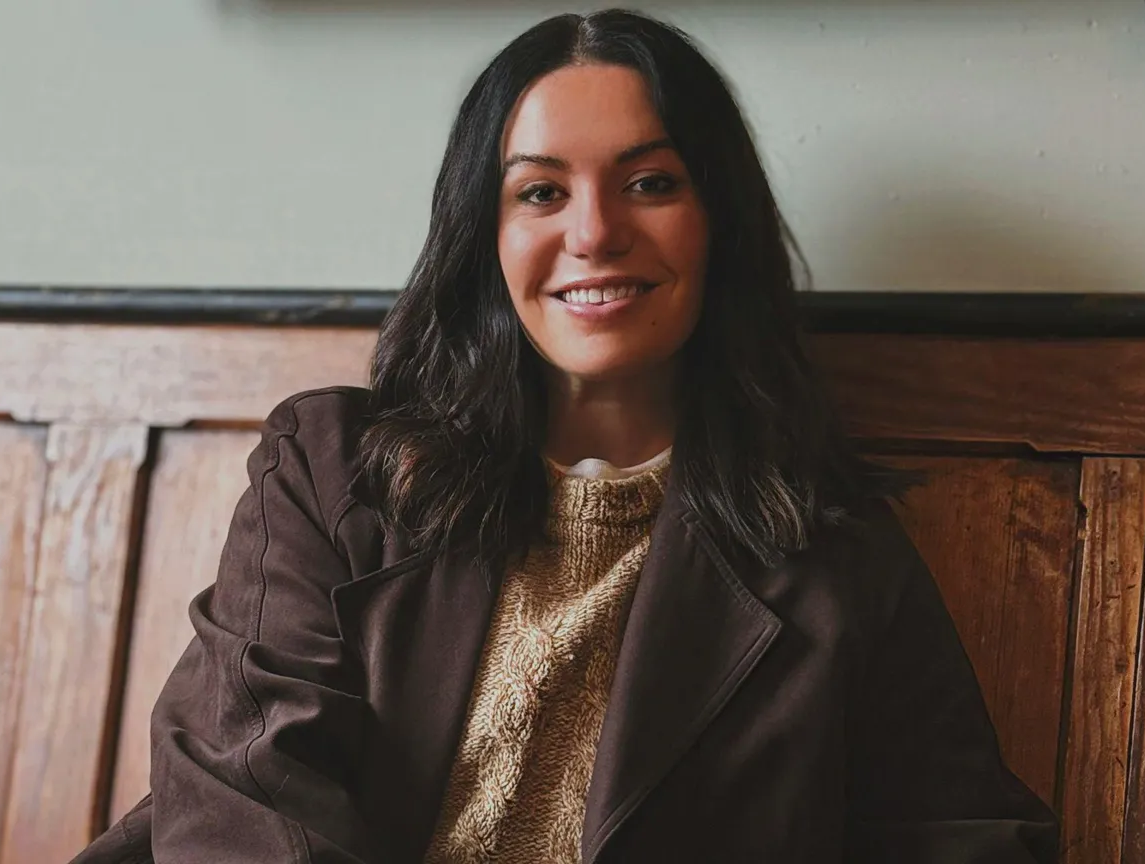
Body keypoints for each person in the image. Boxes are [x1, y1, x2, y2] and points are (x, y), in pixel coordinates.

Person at [71, 9, 1058, 863]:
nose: (594, 232)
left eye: (650, 183)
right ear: (485, 236)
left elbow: (962, 834)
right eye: (541, 192)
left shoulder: (837, 557)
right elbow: (247, 798)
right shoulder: (331, 472)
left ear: (719, 222)